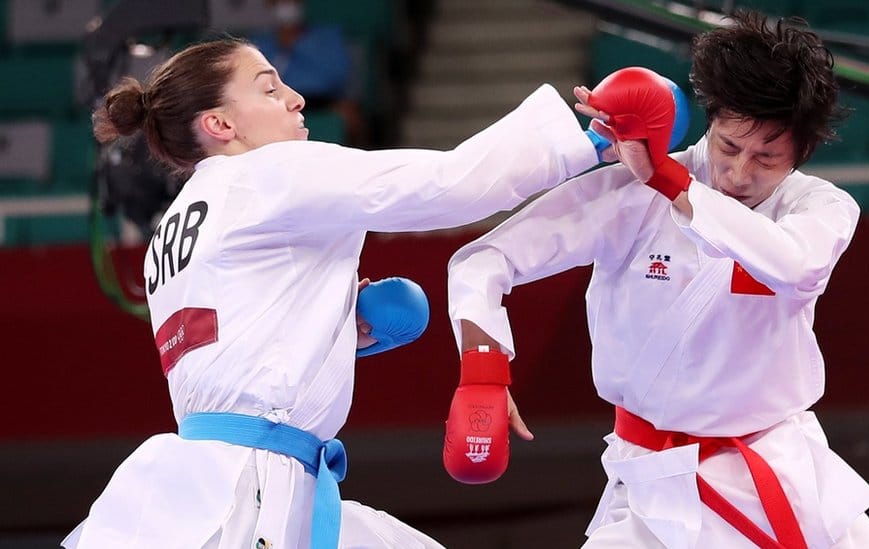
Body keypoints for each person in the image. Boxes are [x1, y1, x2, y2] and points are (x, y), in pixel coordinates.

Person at [62, 36, 629, 548]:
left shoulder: (173, 228)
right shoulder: (269, 173)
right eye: (269, 89)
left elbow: (233, 338)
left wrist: (333, 324)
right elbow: (448, 184)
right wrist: (585, 145)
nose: (296, 99)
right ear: (220, 124)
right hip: (251, 486)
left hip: (210, 476)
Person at [441, 10, 869, 549]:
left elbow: (793, 263)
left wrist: (668, 180)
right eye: (730, 146)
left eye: (767, 157)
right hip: (654, 488)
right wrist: (483, 370)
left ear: (801, 152)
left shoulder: (819, 207)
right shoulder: (629, 195)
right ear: (711, 119)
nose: (740, 173)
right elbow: (485, 258)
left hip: (784, 474)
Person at [250, 0, 367, 145]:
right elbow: (260, 81)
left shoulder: (327, 36)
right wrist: (283, 47)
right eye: (279, 2)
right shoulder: (260, 42)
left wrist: (298, 45)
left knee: (351, 115)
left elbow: (339, 76)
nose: (286, 5)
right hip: (279, 102)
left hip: (323, 101)